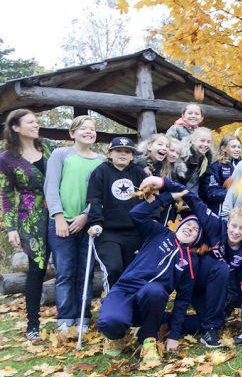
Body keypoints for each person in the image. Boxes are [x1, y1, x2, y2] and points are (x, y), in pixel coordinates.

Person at [143, 176, 242, 348]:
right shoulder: (216, 225)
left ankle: (162, 320)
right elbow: (193, 199)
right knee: (221, 268)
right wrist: (164, 182)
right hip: (195, 280)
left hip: (218, 291)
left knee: (207, 319)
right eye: (234, 226)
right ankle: (211, 328)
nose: (236, 231)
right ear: (228, 222)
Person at [97, 190, 202, 369]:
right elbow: (136, 214)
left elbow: (183, 300)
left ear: (196, 239)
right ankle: (116, 337)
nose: (190, 229)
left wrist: (174, 335)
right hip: (125, 290)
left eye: (195, 230)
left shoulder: (190, 262)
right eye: (188, 224)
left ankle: (147, 340)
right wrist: (167, 197)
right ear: (179, 225)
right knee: (110, 321)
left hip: (151, 300)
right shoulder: (159, 233)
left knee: (155, 290)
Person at [44, 116, 104, 332]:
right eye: (83, 129)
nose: (89, 132)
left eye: (92, 129)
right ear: (72, 133)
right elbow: (51, 187)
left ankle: (83, 317)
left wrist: (86, 215)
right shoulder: (61, 154)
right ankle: (65, 318)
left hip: (87, 223)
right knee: (65, 272)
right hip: (61, 222)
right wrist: (58, 216)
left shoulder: (102, 161)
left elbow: (99, 195)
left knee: (85, 272)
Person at [0, 109, 52, 341]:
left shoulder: (49, 146)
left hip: (60, 213)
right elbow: (7, 195)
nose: (36, 125)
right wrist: (10, 227)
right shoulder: (6, 159)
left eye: (37, 121)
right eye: (31, 122)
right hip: (30, 219)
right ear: (16, 127)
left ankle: (73, 318)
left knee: (70, 264)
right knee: (37, 270)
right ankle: (33, 324)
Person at [87, 137, 147, 287]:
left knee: (132, 272)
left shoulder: (139, 173)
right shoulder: (101, 171)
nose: (123, 154)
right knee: (114, 268)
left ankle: (130, 307)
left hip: (134, 232)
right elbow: (94, 199)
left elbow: (149, 199)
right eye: (118, 150)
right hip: (108, 232)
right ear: (110, 154)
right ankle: (112, 305)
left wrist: (150, 221)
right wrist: (96, 222)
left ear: (132, 156)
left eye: (127, 152)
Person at [201, 134, 242, 214]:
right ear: (223, 148)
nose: (237, 150)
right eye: (233, 147)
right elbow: (211, 193)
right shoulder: (216, 167)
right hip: (220, 212)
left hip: (239, 212)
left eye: (239, 147)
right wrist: (235, 192)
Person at [183, 127, 214, 194]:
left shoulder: (207, 158)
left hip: (195, 196)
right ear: (193, 141)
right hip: (180, 196)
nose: (205, 144)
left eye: (208, 142)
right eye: (202, 141)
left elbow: (204, 181)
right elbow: (177, 180)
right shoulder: (185, 155)